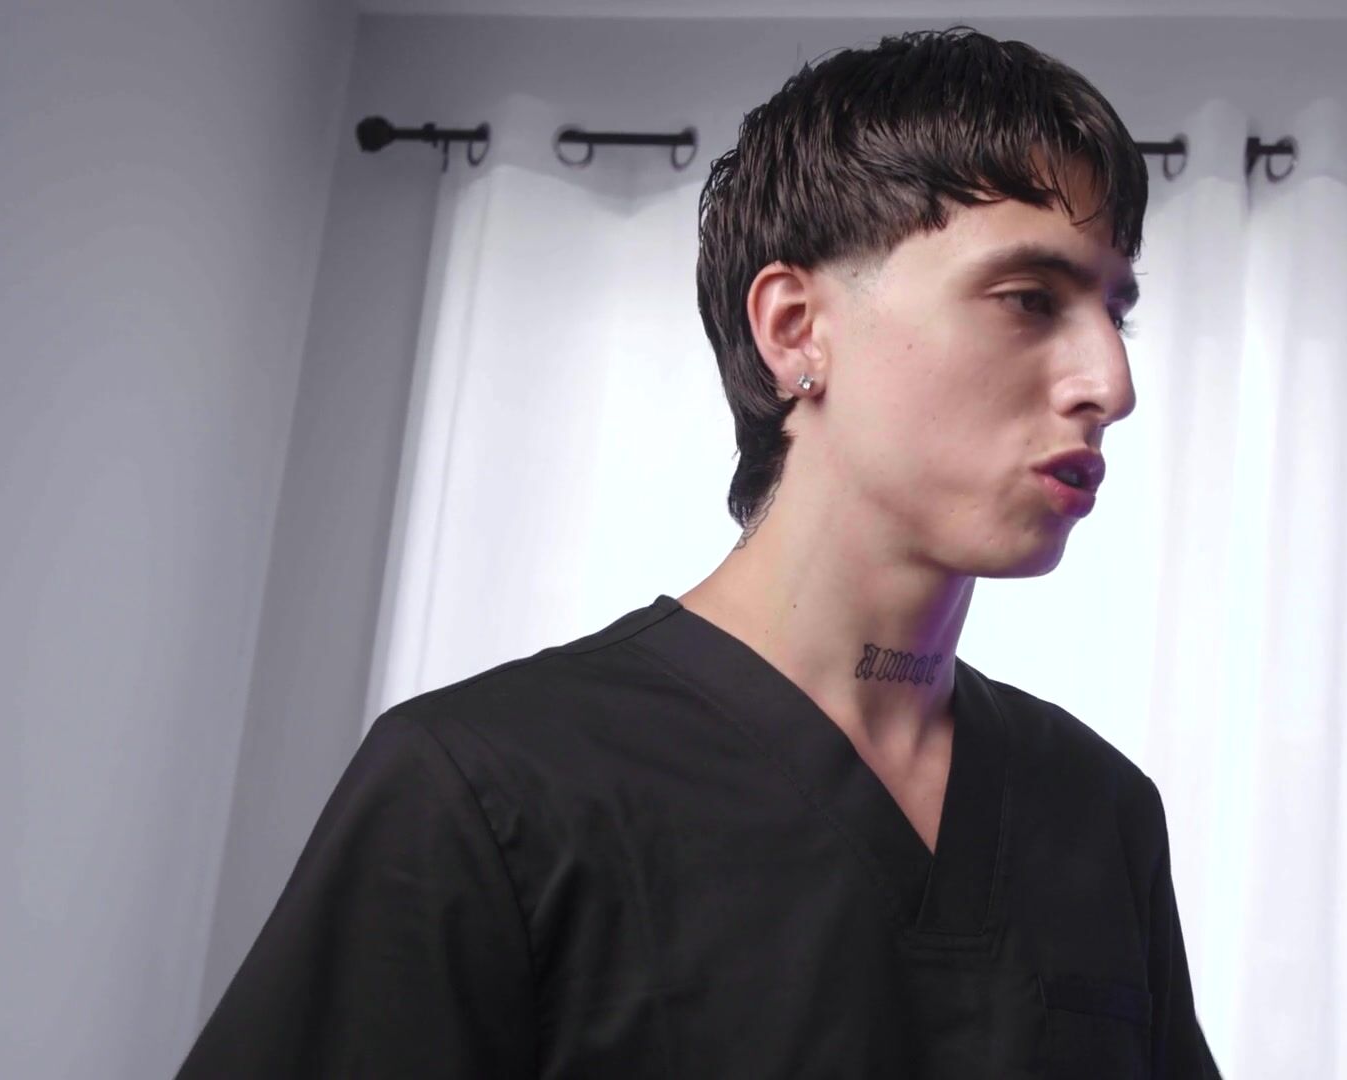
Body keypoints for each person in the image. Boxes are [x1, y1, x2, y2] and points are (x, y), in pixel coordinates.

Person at [177, 24, 1220, 1079]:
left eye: (1115, 313)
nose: (1111, 384)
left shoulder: (1100, 815)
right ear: (795, 328)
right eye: (1030, 300)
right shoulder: (482, 790)